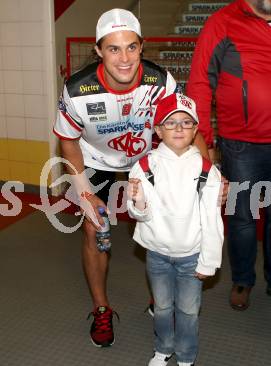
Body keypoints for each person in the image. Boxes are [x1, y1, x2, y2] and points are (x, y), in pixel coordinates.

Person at [53, 8, 210, 348]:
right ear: (98, 50)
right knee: (95, 227)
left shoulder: (160, 79)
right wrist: (83, 192)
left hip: (144, 155)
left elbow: (186, 123)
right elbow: (67, 139)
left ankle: (162, 297)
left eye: (131, 47)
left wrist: (209, 173)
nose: (124, 58)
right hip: (95, 159)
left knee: (168, 220)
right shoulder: (77, 89)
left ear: (142, 47)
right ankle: (101, 309)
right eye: (113, 48)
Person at [127, 93, 223, 366]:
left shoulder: (207, 170)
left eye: (186, 122)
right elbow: (139, 214)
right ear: (158, 131)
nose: (179, 128)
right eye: (170, 123)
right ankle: (163, 348)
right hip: (156, 254)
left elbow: (212, 220)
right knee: (164, 307)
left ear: (195, 130)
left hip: (192, 255)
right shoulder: (144, 167)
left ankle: (185, 355)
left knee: (188, 310)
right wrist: (138, 201)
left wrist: (209, 261)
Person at [186, 0, 271, 311]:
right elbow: (199, 83)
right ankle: (243, 280)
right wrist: (203, 142)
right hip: (241, 144)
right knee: (243, 218)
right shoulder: (223, 22)